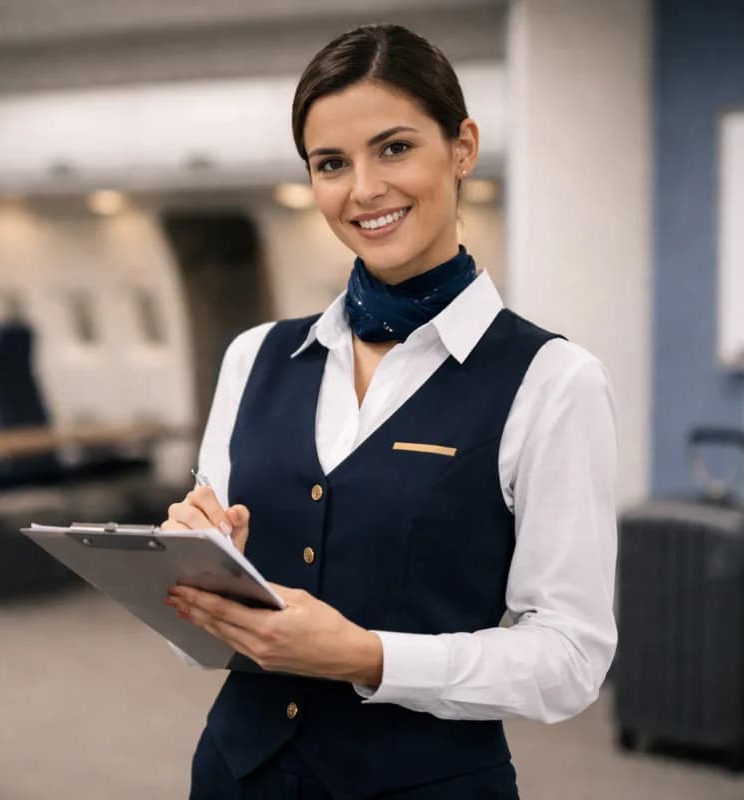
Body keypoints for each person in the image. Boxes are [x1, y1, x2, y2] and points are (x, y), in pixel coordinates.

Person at [161, 23, 618, 800]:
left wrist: (367, 655)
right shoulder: (254, 357)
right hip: (237, 774)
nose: (363, 189)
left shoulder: (551, 380)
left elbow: (571, 661)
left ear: (462, 147)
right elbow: (201, 642)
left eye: (395, 148)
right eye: (330, 164)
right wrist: (187, 573)